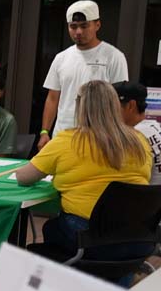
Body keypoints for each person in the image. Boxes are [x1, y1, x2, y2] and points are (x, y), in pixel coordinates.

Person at [15, 80, 152, 257]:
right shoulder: (139, 140)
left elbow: (24, 177)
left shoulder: (68, 140)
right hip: (138, 237)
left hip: (88, 237)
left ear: (80, 106)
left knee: (52, 228)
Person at [39, 0, 128, 151]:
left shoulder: (113, 56)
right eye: (73, 27)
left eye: (84, 26)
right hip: (63, 134)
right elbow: (53, 97)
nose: (78, 32)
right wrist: (44, 131)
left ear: (97, 25)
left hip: (99, 137)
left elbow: (119, 99)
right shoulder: (61, 58)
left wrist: (115, 135)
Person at [114, 81, 161, 185]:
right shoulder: (155, 127)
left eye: (111, 106)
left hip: (146, 197)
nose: (108, 111)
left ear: (131, 105)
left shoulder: (133, 136)